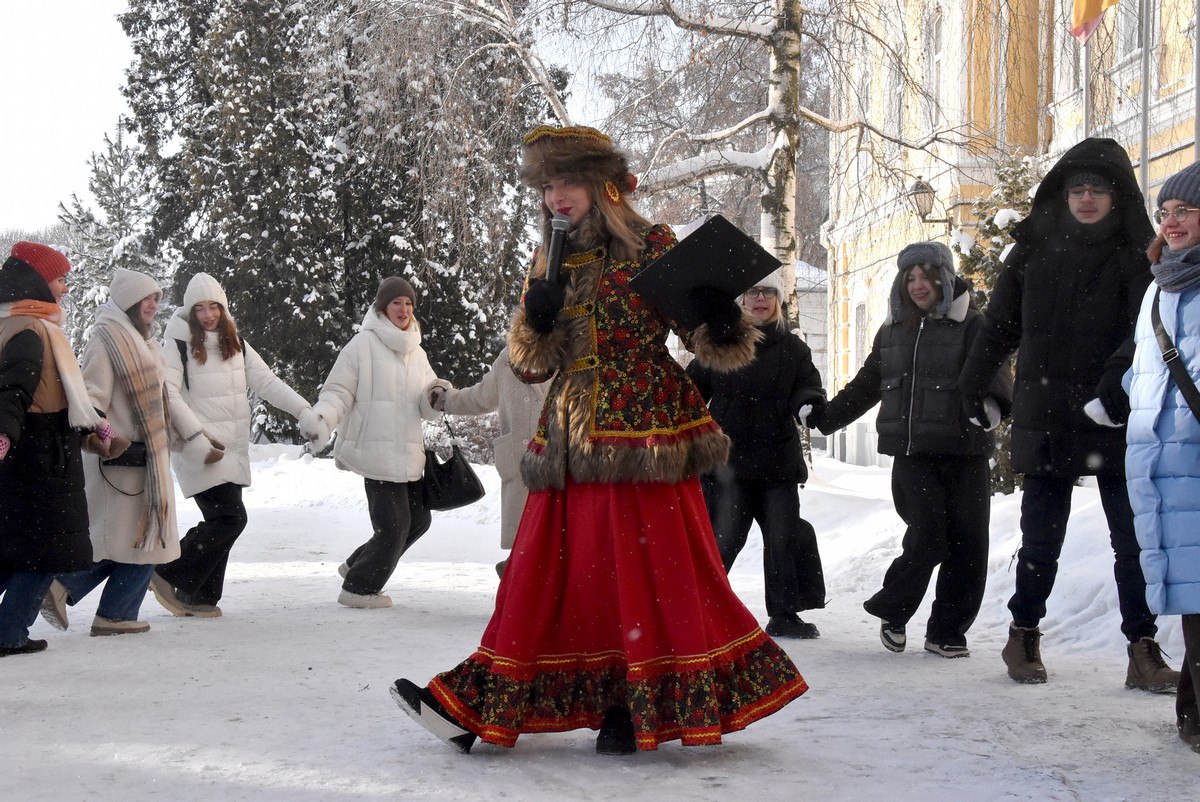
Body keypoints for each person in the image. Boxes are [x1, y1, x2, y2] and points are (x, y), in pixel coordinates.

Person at [392, 124, 806, 756]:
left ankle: (632, 704)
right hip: (567, 437)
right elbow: (529, 367)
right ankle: (476, 705)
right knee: (549, 577)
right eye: (548, 185)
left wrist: (721, 320)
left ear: (602, 185)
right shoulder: (547, 260)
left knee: (653, 575)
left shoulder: (651, 246)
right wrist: (537, 317)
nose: (558, 196)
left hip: (646, 434)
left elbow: (714, 346)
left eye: (569, 181)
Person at [958, 137, 1180, 690]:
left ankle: (1141, 647)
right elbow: (997, 328)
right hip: (1046, 413)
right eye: (1077, 189)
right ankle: (1024, 631)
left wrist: (1117, 388)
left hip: (1113, 416)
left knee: (1131, 540)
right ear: (1062, 193)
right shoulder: (1033, 253)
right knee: (1041, 539)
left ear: (1115, 197)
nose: (1086, 199)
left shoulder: (1136, 257)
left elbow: (1143, 334)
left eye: (1098, 190)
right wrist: (973, 387)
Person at [813, 242, 1011, 658]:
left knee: (969, 544)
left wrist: (991, 407)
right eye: (911, 277)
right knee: (927, 535)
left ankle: (947, 631)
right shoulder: (894, 330)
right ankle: (895, 609)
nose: (919, 285)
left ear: (946, 276)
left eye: (927, 275)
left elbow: (995, 372)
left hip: (967, 451)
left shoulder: (973, 324)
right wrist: (826, 418)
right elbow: (868, 382)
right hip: (913, 453)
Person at [148, 272, 316, 617]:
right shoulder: (178, 343)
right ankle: (166, 571)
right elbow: (169, 394)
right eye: (200, 309)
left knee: (223, 521)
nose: (208, 315)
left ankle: (201, 596)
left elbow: (267, 382)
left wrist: (303, 409)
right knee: (229, 518)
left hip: (232, 451)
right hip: (200, 450)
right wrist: (196, 436)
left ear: (223, 309)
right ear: (189, 311)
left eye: (214, 307)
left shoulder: (235, 342)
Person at [687, 269, 827, 639]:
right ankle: (698, 610)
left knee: (783, 538)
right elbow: (689, 393)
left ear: (777, 301)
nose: (760, 299)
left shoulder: (794, 348)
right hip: (727, 466)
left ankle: (784, 615)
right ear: (741, 300)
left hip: (777, 463)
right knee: (723, 540)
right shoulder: (720, 343)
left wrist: (809, 405)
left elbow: (808, 386)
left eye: (768, 293)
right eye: (753, 292)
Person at [44, 269, 183, 636]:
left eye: (157, 298)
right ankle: (110, 612)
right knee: (145, 543)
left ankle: (72, 591)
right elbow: (89, 395)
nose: (153, 304)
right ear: (128, 302)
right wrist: (98, 435)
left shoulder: (143, 341)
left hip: (146, 460)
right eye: (146, 298)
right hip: (121, 460)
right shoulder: (107, 341)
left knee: (133, 542)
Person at [300, 276, 443, 609]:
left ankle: (358, 564)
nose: (403, 310)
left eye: (408, 304)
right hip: (374, 451)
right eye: (396, 303)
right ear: (383, 307)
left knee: (419, 520)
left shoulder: (416, 352)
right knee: (394, 526)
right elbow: (337, 393)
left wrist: (436, 396)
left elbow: (423, 402)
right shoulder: (361, 346)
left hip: (407, 451)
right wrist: (322, 419)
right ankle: (359, 587)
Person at [0, 244, 113, 655]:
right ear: (36, 280)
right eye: (59, 279)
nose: (64, 289)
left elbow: (57, 393)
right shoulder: (30, 330)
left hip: (30, 453)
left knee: (13, 551)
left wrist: (93, 423)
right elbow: (13, 390)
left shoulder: (14, 323)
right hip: (39, 457)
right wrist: (5, 433)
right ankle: (9, 633)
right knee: (43, 555)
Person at [1123, 161, 1200, 751]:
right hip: (1159, 457)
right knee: (1188, 591)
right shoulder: (1159, 285)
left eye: (1186, 211)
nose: (1172, 223)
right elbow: (1145, 366)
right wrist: (1125, 396)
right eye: (1166, 213)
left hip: (1192, 453)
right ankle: (1191, 712)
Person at [426, 345, 548, 578]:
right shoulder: (509, 356)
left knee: (555, 539)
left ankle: (518, 579)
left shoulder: (574, 349)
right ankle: (516, 584)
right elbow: (482, 397)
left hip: (560, 461)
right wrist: (446, 400)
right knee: (526, 539)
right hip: (519, 458)